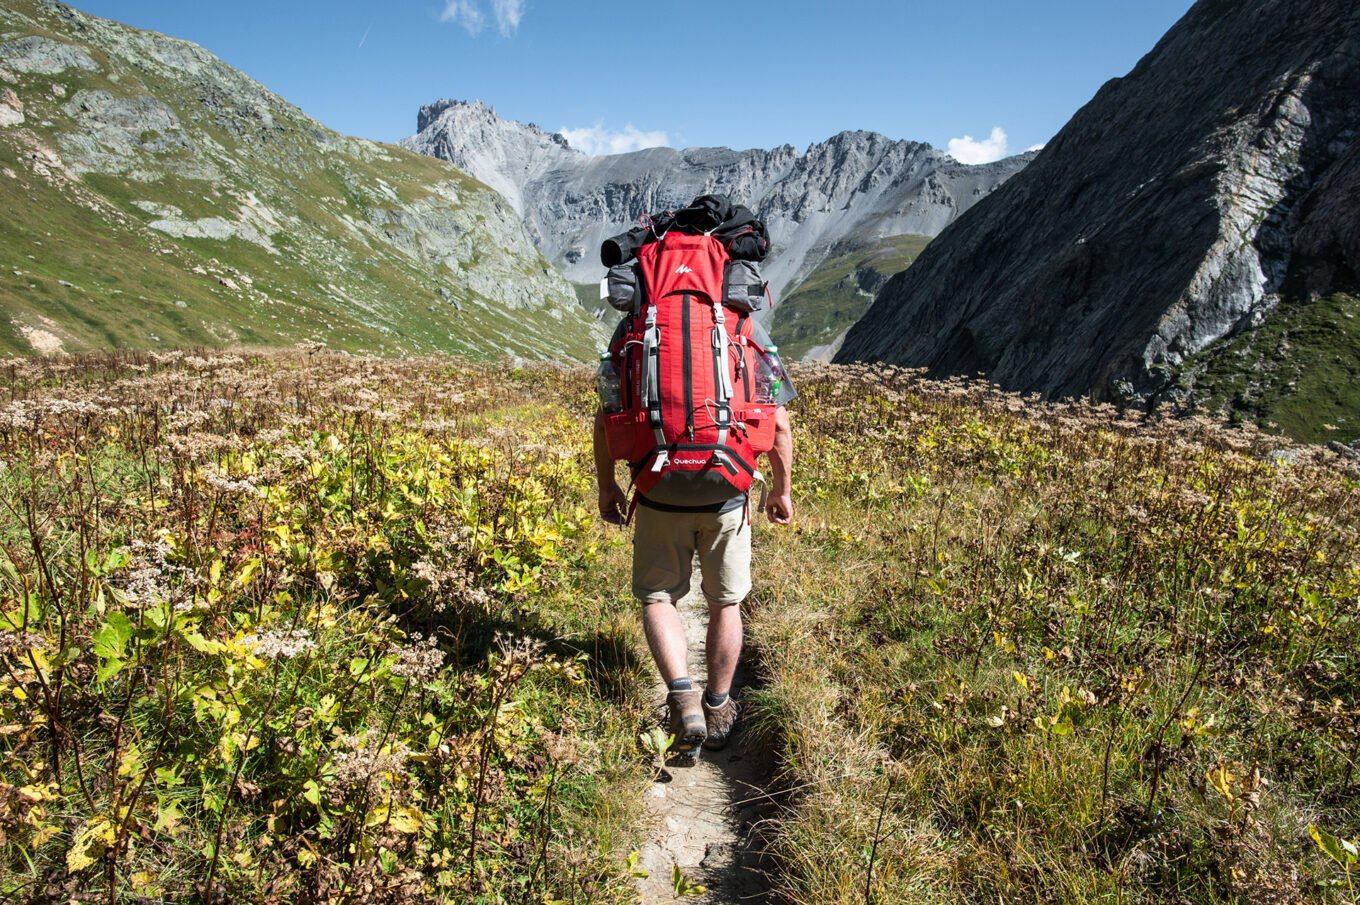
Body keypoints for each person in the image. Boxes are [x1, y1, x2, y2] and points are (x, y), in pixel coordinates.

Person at [593, 394, 794, 754]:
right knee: (726, 602)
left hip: (659, 490)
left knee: (659, 596)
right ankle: (717, 709)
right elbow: (777, 420)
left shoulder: (636, 334)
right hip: (727, 490)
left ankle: (682, 698)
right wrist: (782, 490)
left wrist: (606, 486)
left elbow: (606, 415)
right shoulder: (746, 335)